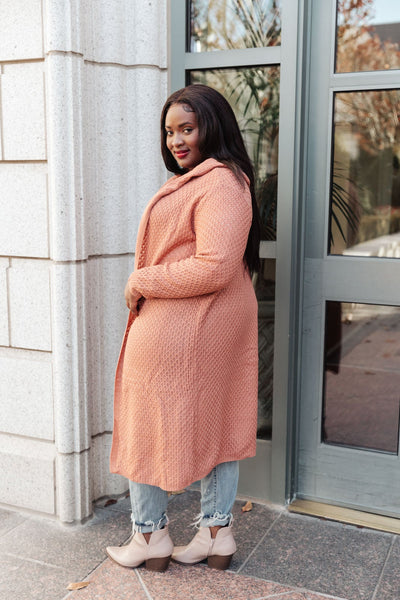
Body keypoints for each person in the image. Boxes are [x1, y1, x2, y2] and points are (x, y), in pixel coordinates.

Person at [107, 84, 261, 572]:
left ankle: (150, 535)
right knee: (215, 423)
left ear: (211, 127)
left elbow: (215, 265)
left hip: (186, 331)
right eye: (170, 131)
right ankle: (215, 533)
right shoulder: (209, 181)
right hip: (195, 329)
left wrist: (141, 279)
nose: (176, 140)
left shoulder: (219, 182)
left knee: (147, 422)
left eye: (186, 129)